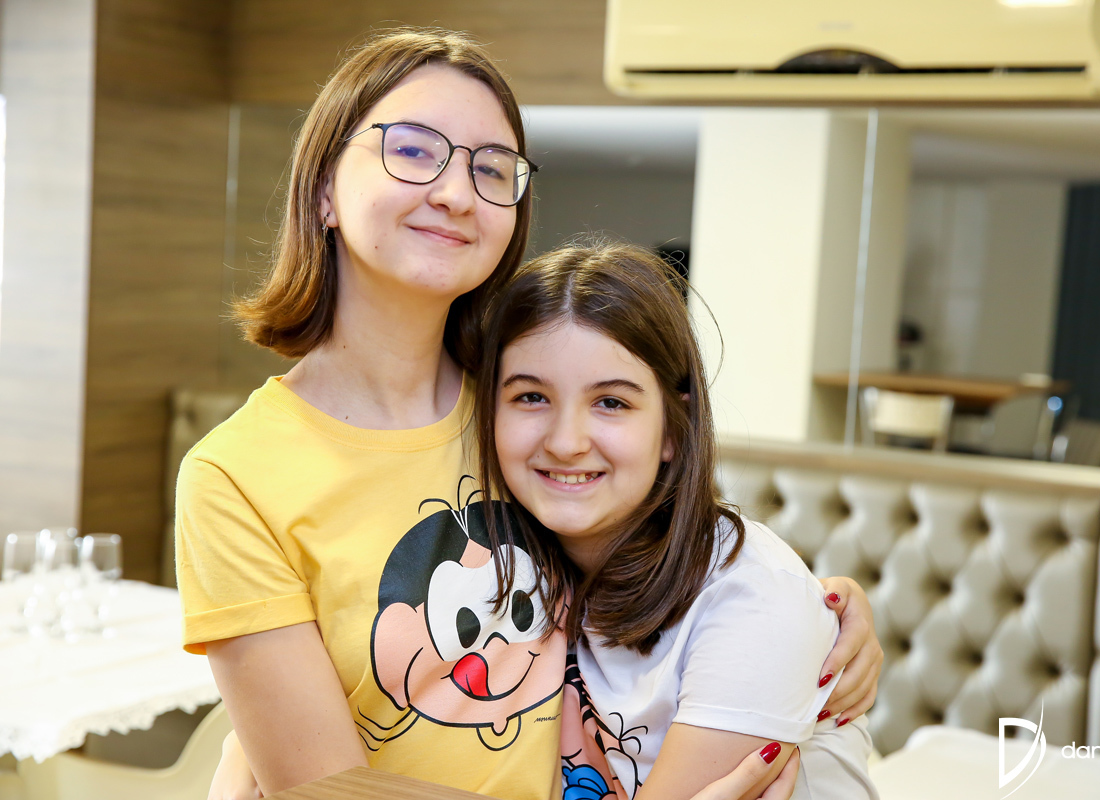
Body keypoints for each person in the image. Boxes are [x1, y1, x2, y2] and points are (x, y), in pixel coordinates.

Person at [174, 27, 882, 799]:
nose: (455, 192)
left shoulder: (525, 411)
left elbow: (680, 554)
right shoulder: (234, 477)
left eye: (490, 168)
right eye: (412, 149)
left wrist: (819, 609)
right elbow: (327, 791)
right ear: (323, 189)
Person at [473, 241, 878, 800]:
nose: (565, 442)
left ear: (672, 429)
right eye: (531, 396)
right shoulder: (519, 564)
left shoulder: (752, 599)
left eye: (611, 403)